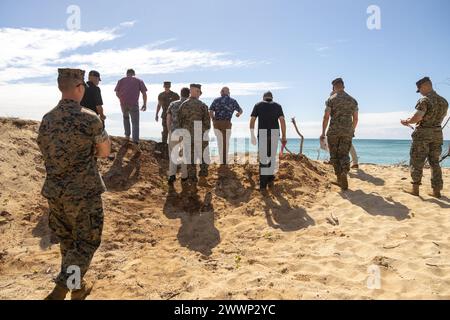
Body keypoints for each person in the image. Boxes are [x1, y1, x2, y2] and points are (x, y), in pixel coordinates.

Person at [37, 68, 111, 300]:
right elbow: (105, 152)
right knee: (87, 241)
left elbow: (45, 150)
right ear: (79, 88)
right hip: (83, 192)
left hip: (55, 192)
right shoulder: (90, 118)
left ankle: (77, 289)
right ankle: (60, 290)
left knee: (69, 243)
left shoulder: (47, 119)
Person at [401, 77, 448, 198]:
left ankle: (415, 189)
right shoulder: (444, 101)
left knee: (417, 160)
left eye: (420, 89)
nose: (420, 91)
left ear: (426, 85)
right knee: (435, 162)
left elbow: (418, 117)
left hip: (423, 134)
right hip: (437, 133)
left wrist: (407, 121)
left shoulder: (424, 100)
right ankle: (436, 191)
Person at [321, 78, 359, 190]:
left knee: (335, 155)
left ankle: (339, 178)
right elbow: (356, 119)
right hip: (347, 131)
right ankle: (344, 173)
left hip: (333, 131)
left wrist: (323, 132)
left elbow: (326, 117)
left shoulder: (330, 99)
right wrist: (351, 130)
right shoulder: (353, 100)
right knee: (344, 154)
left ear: (334, 87)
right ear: (343, 86)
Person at [250, 91, 287, 191]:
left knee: (263, 160)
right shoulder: (278, 106)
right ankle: (270, 180)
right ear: (272, 98)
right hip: (275, 133)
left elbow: (253, 119)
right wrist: (284, 135)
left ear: (263, 97)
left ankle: (263, 186)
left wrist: (252, 134)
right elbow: (282, 120)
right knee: (272, 158)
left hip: (262, 134)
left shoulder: (258, 105)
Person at [178, 84, 211, 186]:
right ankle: (202, 178)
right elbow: (207, 123)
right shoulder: (203, 106)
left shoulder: (183, 105)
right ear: (197, 91)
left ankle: (192, 180)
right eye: (199, 91)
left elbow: (180, 122)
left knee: (190, 158)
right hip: (200, 135)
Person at [209, 87, 243, 165]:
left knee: (219, 142)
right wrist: (238, 114)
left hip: (217, 123)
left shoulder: (216, 100)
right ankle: (224, 161)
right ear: (228, 93)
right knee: (226, 142)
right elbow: (240, 110)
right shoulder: (233, 101)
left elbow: (210, 111)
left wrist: (213, 120)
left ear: (222, 92)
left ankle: (222, 160)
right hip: (227, 123)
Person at [114, 69, 148, 146]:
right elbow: (144, 93)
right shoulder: (139, 80)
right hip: (134, 104)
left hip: (123, 104)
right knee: (135, 122)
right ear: (134, 74)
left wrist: (121, 99)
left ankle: (127, 136)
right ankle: (135, 140)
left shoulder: (121, 80)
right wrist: (144, 104)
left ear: (127, 74)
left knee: (125, 118)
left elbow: (116, 92)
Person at [166, 87, 190, 184]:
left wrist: (169, 131)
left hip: (174, 132)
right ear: (188, 94)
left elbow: (168, 119)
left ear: (180, 94)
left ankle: (172, 175)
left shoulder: (173, 104)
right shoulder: (190, 105)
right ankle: (184, 176)